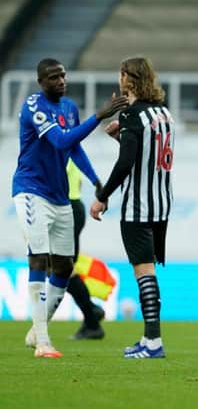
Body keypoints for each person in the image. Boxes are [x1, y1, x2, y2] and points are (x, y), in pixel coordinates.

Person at [13, 58, 128, 358]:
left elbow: (74, 148)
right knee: (39, 258)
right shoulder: (34, 107)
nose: (60, 80)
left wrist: (94, 180)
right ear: (41, 82)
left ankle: (36, 330)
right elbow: (61, 140)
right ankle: (42, 341)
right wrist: (98, 117)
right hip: (31, 191)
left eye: (62, 75)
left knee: (64, 266)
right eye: (53, 77)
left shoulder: (69, 108)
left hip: (61, 196)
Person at [90, 57, 175, 359]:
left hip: (137, 206)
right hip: (161, 204)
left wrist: (103, 194)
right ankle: (147, 338)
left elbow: (127, 162)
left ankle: (153, 341)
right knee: (147, 270)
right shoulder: (163, 114)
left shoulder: (132, 116)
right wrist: (121, 137)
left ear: (127, 77)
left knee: (144, 273)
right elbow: (146, 154)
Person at [66, 159, 106, 340]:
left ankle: (91, 316)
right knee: (62, 269)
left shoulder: (56, 139)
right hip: (72, 207)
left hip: (65, 209)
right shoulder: (68, 141)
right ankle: (91, 313)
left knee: (61, 269)